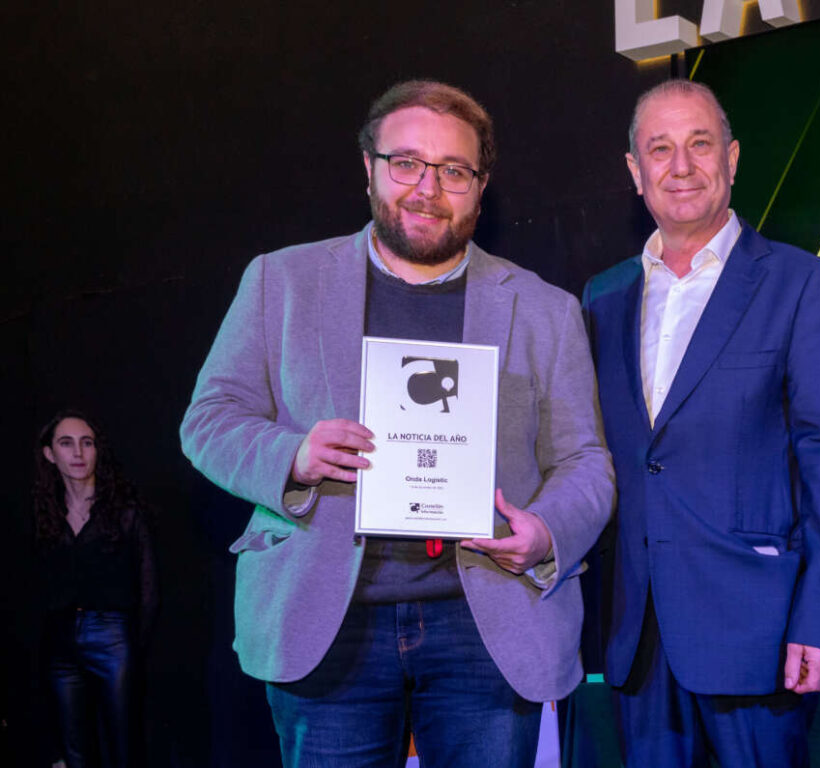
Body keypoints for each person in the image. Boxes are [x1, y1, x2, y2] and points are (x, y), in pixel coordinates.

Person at [180, 79, 613, 768]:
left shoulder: (544, 309)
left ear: (481, 186)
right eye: (406, 163)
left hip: (487, 624)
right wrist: (293, 456)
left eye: (454, 171)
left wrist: (546, 532)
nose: (427, 189)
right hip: (327, 619)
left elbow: (585, 462)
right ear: (369, 167)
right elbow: (208, 420)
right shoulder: (280, 282)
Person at [582, 79, 820, 767]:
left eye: (700, 144)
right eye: (660, 149)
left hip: (759, 636)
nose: (681, 166)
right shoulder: (601, 297)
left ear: (732, 159)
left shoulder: (800, 283)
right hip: (637, 639)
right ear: (635, 171)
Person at [32, 410, 158, 768]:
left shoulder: (125, 512)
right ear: (49, 454)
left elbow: (150, 591)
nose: (78, 453)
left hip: (113, 638)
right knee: (75, 752)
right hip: (59, 644)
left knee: (124, 747)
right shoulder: (44, 513)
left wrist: (130, 645)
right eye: (66, 443)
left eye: (86, 443)